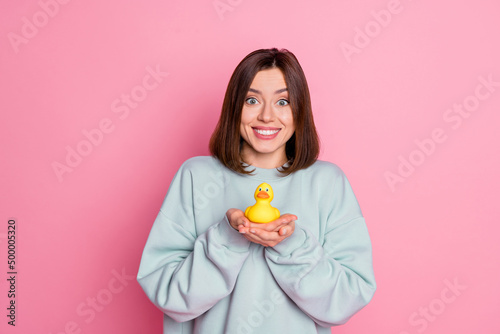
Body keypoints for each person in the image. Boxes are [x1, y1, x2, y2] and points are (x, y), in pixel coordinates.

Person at [137, 48, 376, 334]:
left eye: (283, 101)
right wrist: (228, 237)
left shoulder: (328, 183)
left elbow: (346, 300)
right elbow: (172, 298)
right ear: (234, 107)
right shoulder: (196, 177)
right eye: (252, 100)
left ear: (300, 110)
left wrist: (290, 244)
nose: (266, 116)